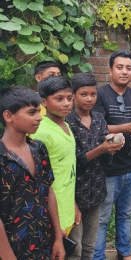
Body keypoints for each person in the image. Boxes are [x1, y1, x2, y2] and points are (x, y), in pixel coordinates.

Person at [92, 50, 131, 260]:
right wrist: (128, 126)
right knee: (103, 218)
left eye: (129, 68)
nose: (124, 72)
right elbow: (99, 128)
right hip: (108, 169)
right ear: (110, 69)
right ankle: (98, 256)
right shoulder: (100, 95)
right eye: (119, 67)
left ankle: (124, 251)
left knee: (125, 216)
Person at [0, 86, 65, 260]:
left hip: (44, 244)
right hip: (12, 249)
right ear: (8, 116)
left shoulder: (38, 149)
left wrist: (58, 236)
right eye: (32, 113)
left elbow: (48, 191)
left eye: (39, 111)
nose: (39, 117)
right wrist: (7, 255)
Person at [65, 73, 123, 260]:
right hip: (74, 196)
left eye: (93, 94)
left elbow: (105, 161)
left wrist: (112, 149)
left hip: (96, 191)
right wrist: (101, 149)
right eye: (84, 94)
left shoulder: (99, 118)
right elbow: (72, 163)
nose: (90, 99)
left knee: (90, 247)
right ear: (73, 95)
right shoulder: (67, 123)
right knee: (75, 250)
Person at [31, 76, 78, 236]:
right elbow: (39, 180)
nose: (66, 103)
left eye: (69, 98)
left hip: (67, 208)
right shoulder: (41, 133)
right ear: (43, 102)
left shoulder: (65, 125)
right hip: (51, 215)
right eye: (59, 99)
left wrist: (73, 205)